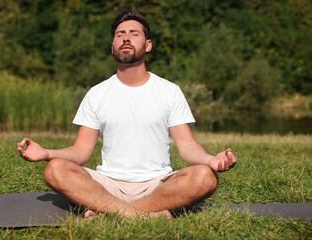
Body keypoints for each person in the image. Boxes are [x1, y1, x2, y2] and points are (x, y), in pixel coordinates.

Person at [17, 10, 236, 219]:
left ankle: (110, 213)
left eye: (134, 34)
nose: (126, 39)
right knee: (54, 169)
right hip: (106, 185)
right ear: (112, 47)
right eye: (120, 35)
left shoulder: (169, 91)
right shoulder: (97, 94)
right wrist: (46, 153)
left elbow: (187, 147)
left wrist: (211, 160)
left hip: (158, 184)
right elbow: (80, 152)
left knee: (205, 177)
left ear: (147, 45)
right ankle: (141, 216)